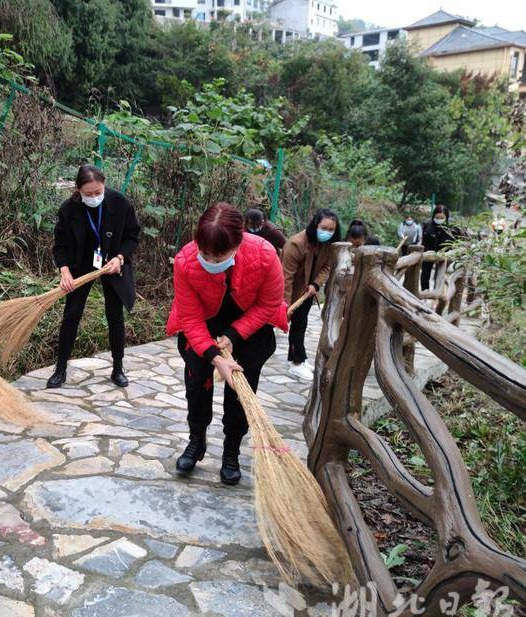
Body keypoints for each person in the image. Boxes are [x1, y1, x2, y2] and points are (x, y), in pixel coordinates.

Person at [166, 203, 287, 485]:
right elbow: (190, 317)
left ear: (238, 241)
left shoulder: (265, 255)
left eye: (218, 256)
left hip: (251, 327)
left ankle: (231, 451)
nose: (210, 260)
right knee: (196, 386)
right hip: (204, 325)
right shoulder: (185, 261)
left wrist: (234, 335)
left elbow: (269, 304)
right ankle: (196, 441)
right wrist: (215, 356)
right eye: (205, 253)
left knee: (240, 392)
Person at [47, 165, 141, 389]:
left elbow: (132, 236)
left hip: (112, 263)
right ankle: (60, 369)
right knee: (72, 314)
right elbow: (60, 244)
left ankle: (118, 368)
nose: (93, 197)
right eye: (87, 194)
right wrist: (65, 271)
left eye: (98, 192)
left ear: (104, 185)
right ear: (78, 190)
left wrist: (120, 258)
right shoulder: (69, 209)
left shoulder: (120, 203)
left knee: (115, 315)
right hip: (80, 263)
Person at [281, 208, 340, 381]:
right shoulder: (296, 244)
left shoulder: (329, 245)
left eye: (331, 229)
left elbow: (327, 266)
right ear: (315, 225)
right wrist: (285, 306)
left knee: (301, 325)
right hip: (292, 292)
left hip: (308, 292)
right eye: (324, 228)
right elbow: (286, 278)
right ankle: (296, 362)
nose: (327, 232)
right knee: (297, 325)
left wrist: (315, 284)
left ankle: (298, 359)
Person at [421, 204, 455, 290]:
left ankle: (437, 291)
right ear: (433, 216)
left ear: (446, 217)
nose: (439, 219)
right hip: (428, 252)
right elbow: (424, 241)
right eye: (437, 217)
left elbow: (451, 242)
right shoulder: (427, 224)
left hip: (444, 254)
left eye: (442, 218)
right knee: (425, 274)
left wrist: (444, 253)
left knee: (440, 275)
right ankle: (425, 291)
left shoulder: (451, 227)